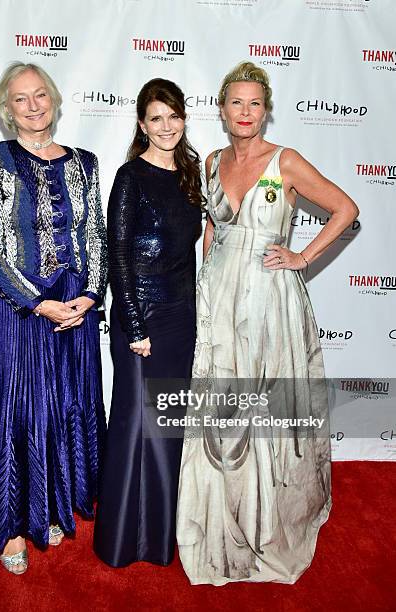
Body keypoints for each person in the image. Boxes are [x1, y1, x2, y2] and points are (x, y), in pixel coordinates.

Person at [176, 61, 359, 585]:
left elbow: (345, 208)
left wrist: (302, 257)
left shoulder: (287, 161)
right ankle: (222, 516)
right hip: (220, 301)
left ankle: (271, 521)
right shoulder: (210, 161)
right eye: (237, 102)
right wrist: (201, 292)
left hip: (271, 301)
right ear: (222, 106)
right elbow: (212, 230)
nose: (246, 112)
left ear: (266, 109)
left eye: (256, 103)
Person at [0, 62, 107, 574]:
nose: (33, 105)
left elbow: (95, 238)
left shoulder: (85, 163)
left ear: (55, 99)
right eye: (20, 98)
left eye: (40, 94)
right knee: (18, 413)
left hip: (75, 310)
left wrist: (89, 297)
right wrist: (38, 301)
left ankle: (46, 505)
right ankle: (12, 527)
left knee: (63, 408)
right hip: (17, 309)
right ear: (7, 109)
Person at [93, 78, 203, 567]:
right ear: (142, 124)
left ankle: (157, 537)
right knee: (135, 422)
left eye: (173, 116)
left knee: (167, 426)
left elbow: (191, 254)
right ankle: (121, 539)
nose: (166, 126)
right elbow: (116, 254)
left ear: (183, 119)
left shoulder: (190, 174)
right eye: (156, 118)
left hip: (181, 316)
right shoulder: (129, 177)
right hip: (141, 316)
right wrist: (135, 326)